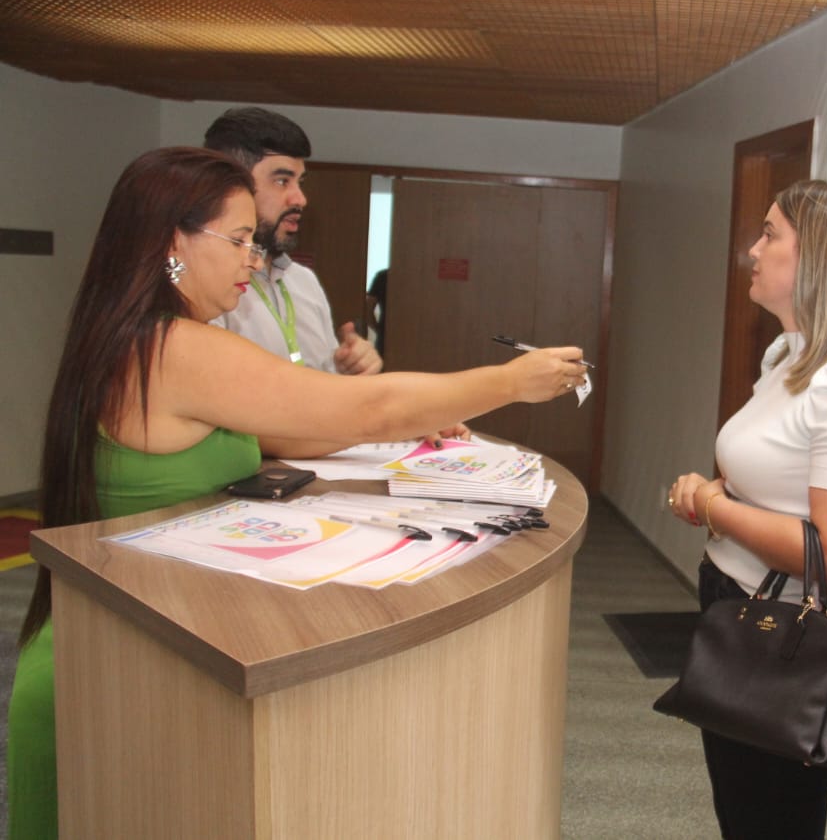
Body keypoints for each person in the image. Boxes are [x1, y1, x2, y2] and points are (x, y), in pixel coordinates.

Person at [6, 147, 587, 840]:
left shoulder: (138, 337)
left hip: (122, 642)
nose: (253, 260)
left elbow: (285, 431)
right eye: (238, 240)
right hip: (114, 668)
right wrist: (509, 381)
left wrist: (415, 422)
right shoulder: (174, 347)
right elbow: (363, 408)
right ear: (173, 244)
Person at [667, 180, 827, 839]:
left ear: (821, 256)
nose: (753, 249)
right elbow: (775, 478)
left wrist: (714, 505)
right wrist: (716, 493)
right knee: (743, 817)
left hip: (791, 641)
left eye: (770, 234)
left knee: (772, 822)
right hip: (738, 607)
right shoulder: (789, 357)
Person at [204, 106, 382, 375]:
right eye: (282, 181)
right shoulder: (206, 287)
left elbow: (322, 377)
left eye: (300, 182)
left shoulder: (304, 281)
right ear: (230, 185)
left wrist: (347, 368)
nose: (300, 199)